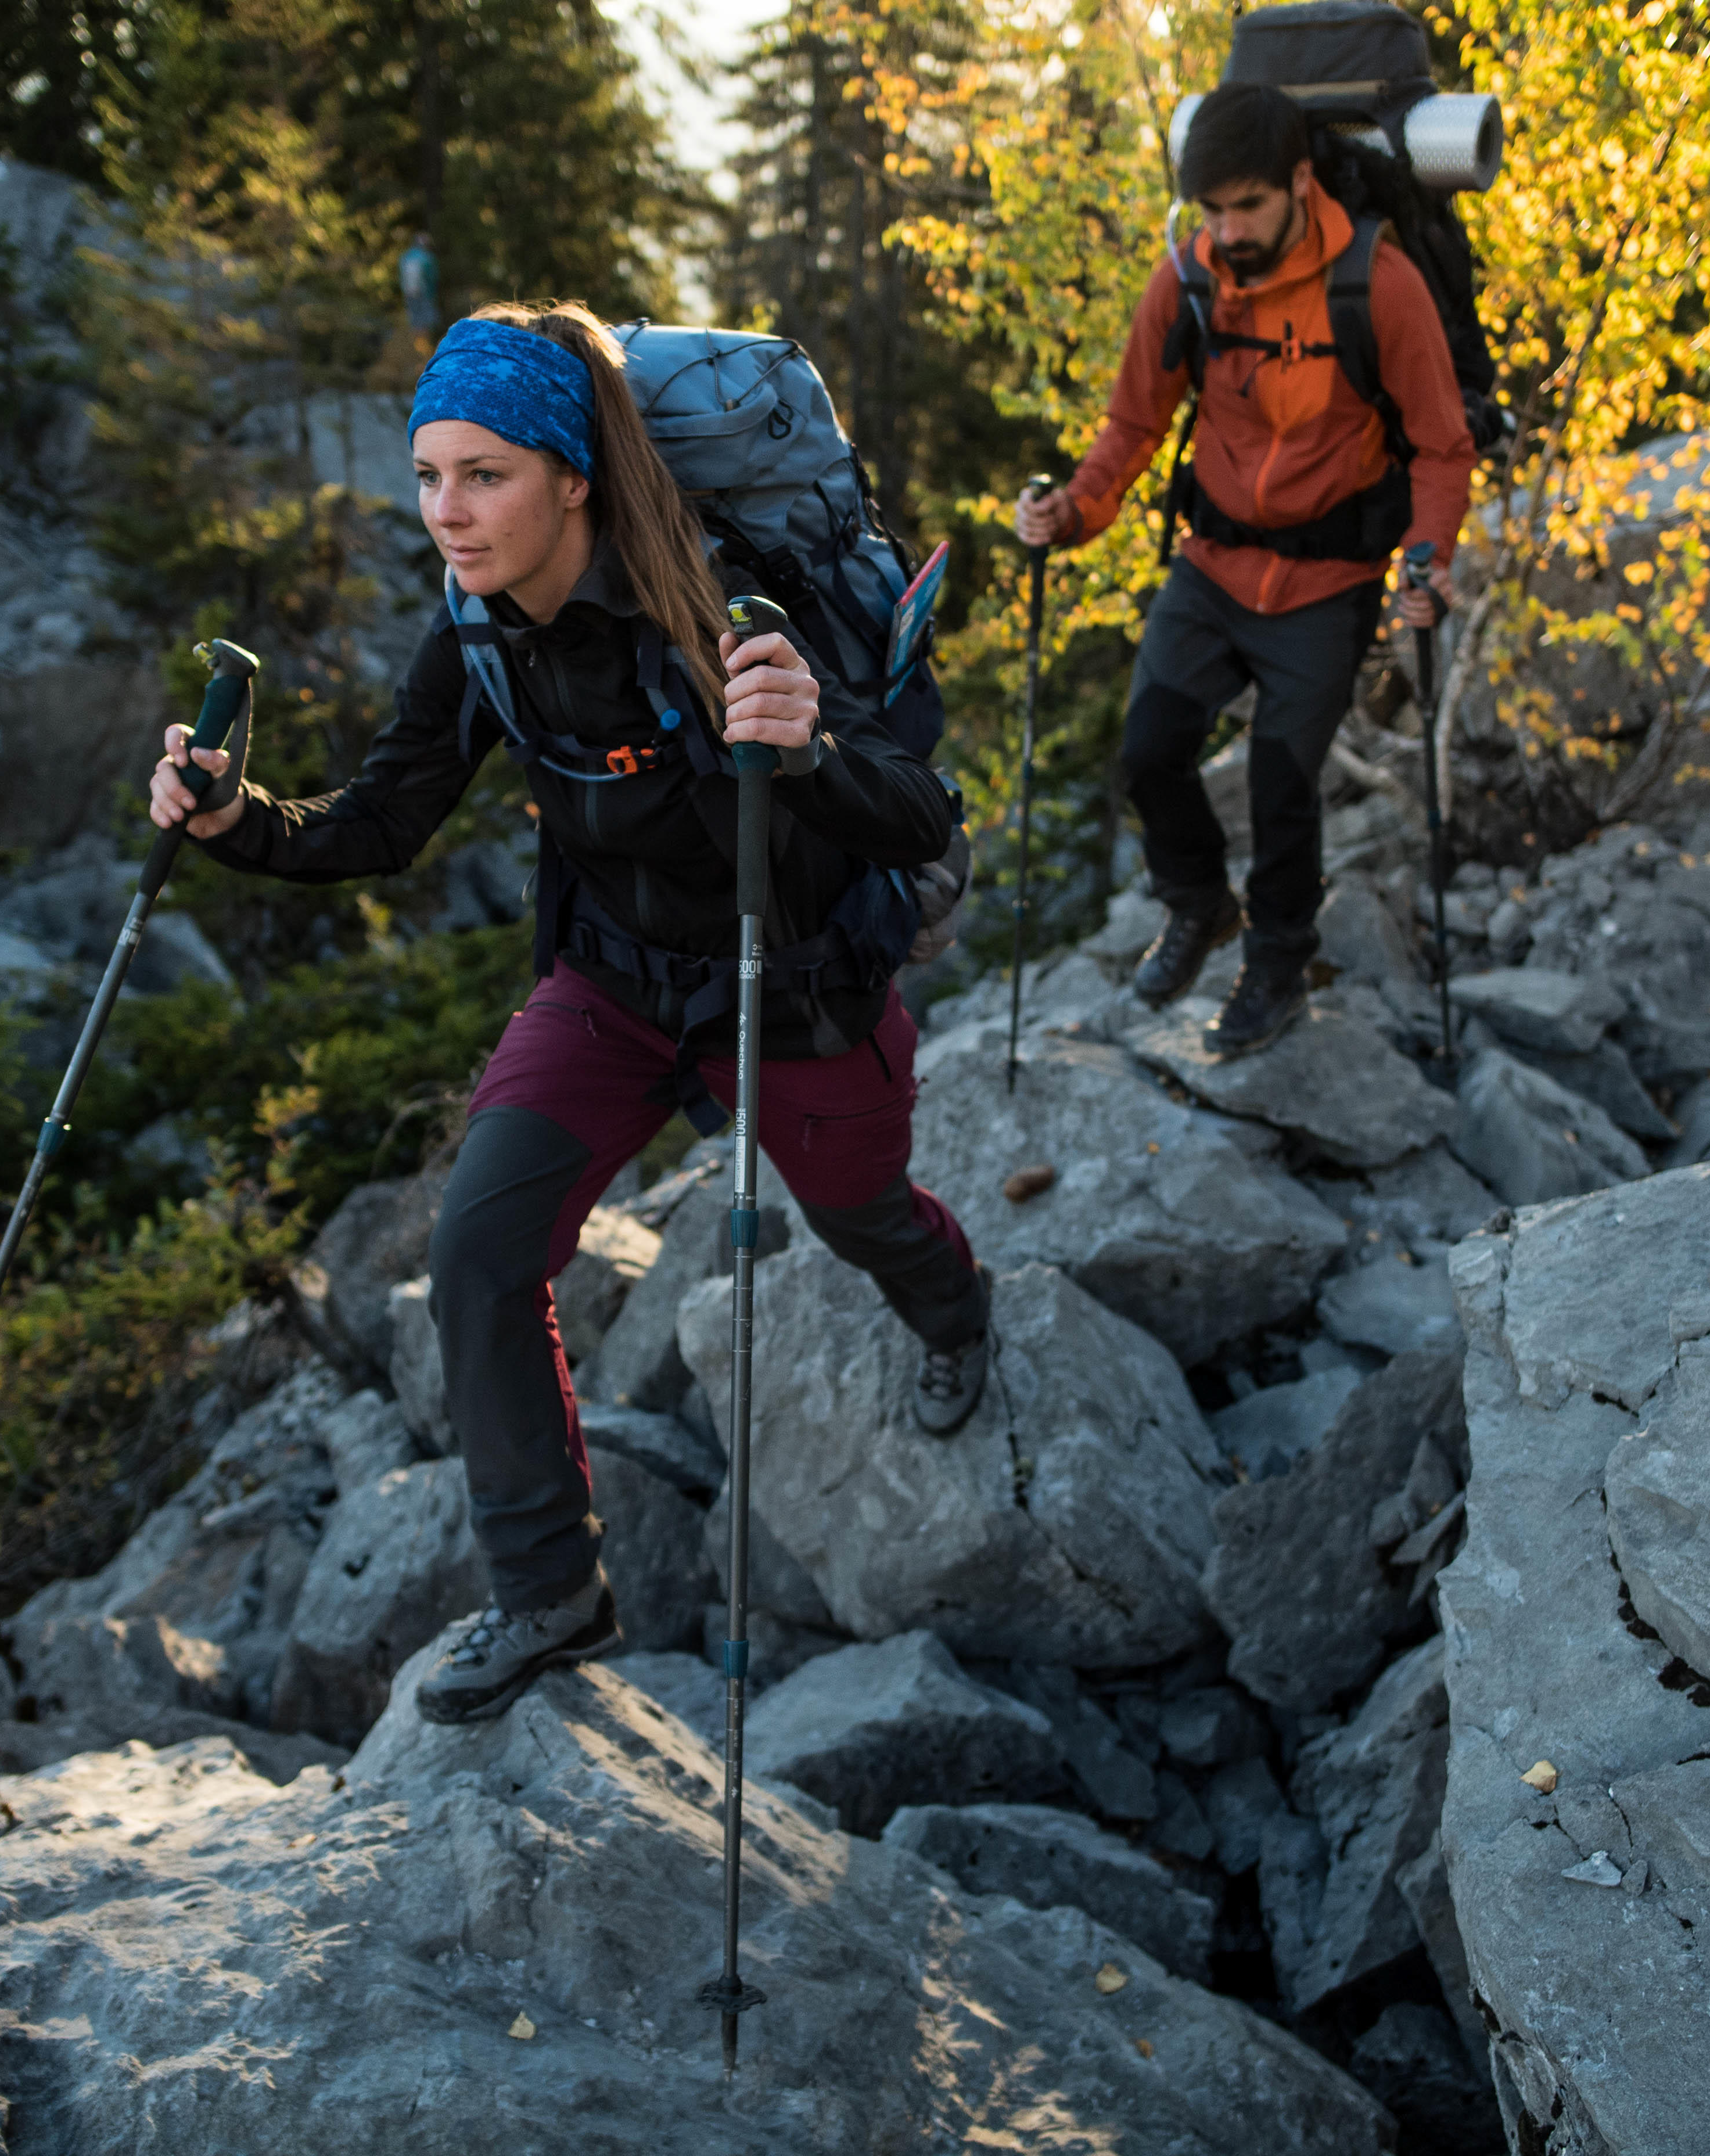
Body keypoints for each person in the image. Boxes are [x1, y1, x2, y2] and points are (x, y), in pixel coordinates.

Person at [148, 303, 991, 1726]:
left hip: (791, 985)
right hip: (611, 981)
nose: (447, 513)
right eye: (428, 476)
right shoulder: (477, 630)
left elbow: (922, 814)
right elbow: (380, 821)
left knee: (860, 1213)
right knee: (480, 1251)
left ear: (572, 476)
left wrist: (807, 746)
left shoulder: (723, 611)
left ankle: (955, 1312)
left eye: (484, 476)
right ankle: (550, 1592)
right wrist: (235, 819)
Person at [1015, 83, 1474, 1056]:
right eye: (1210, 209)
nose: (1225, 230)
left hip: (1329, 578)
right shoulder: (1185, 281)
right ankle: (1196, 905)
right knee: (1148, 749)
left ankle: (1275, 961)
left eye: (1246, 207)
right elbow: (1132, 428)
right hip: (1212, 565)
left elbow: (1441, 447)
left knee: (1281, 779)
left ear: (1300, 183)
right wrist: (1072, 514)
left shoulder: (1377, 285)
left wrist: (1424, 563)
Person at [396, 231, 441, 354]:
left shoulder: (405, 257)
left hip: (409, 293)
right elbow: (432, 278)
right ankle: (425, 351)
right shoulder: (427, 257)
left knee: (415, 321)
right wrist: (432, 294)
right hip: (424, 293)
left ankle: (416, 350)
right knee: (426, 321)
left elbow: (401, 276)